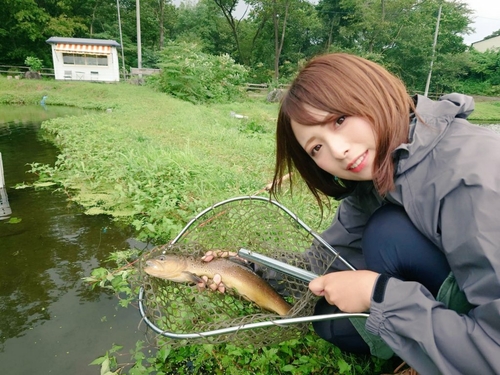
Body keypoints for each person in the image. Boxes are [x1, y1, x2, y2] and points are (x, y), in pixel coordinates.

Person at [268, 53, 500, 374]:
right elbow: (325, 260)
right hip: (451, 296)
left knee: (387, 233)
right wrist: (243, 267)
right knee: (330, 322)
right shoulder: (377, 175)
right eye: (316, 148)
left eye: (339, 120)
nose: (338, 151)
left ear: (372, 91)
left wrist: (377, 294)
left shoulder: (471, 174)